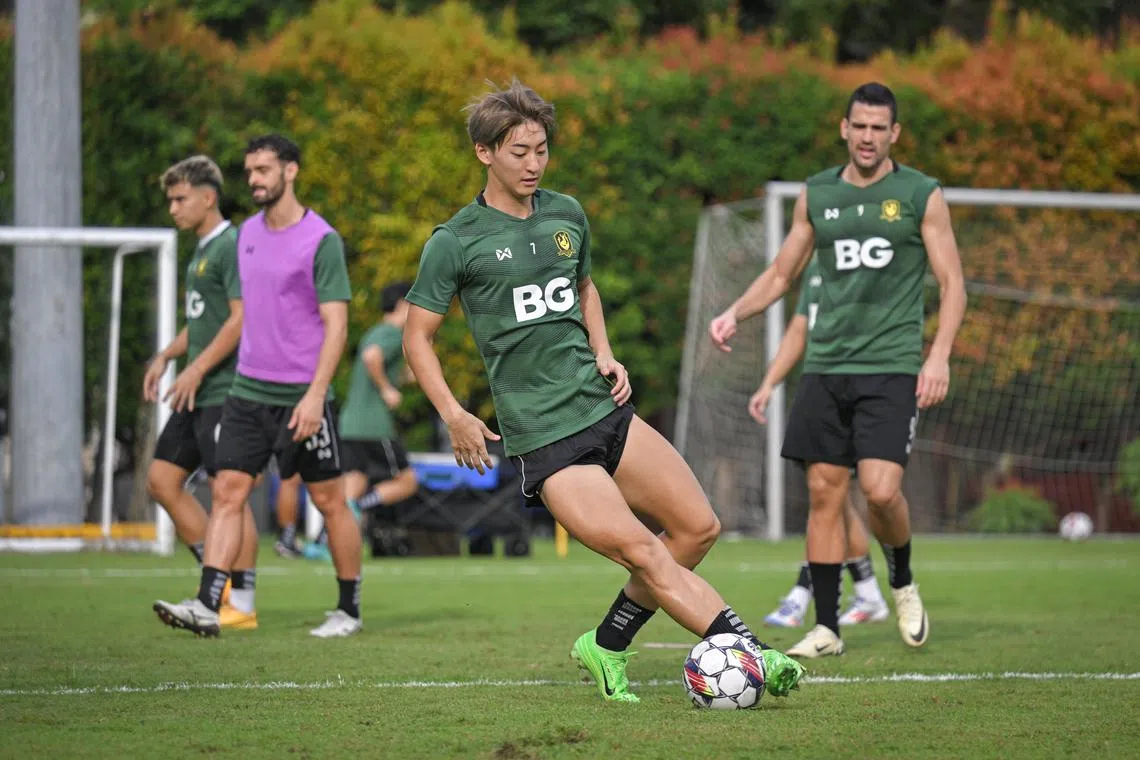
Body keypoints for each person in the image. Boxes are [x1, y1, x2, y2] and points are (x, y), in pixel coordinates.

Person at [402, 79, 805, 703]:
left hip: (605, 411)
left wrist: (605, 351)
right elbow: (416, 340)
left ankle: (607, 643)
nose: (534, 163)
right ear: (484, 153)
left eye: (541, 149)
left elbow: (584, 289)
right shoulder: (454, 241)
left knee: (699, 529)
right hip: (547, 438)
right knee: (645, 551)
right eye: (518, 151)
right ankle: (755, 654)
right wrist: (454, 413)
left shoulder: (567, 213)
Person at [709, 82, 966, 657]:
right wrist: (734, 313)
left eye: (880, 128)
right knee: (824, 492)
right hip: (826, 368)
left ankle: (900, 580)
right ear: (844, 129)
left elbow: (952, 284)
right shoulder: (817, 194)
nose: (869, 136)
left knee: (879, 491)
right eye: (860, 126)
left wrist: (940, 354)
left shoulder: (922, 194)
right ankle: (827, 627)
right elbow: (781, 274)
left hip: (892, 367)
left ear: (894, 134)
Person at [154, 134, 363, 638]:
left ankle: (348, 610)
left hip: (301, 396)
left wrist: (316, 394)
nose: (254, 179)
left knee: (330, 501)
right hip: (248, 391)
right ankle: (210, 603)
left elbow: (336, 325)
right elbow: (238, 316)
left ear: (290, 171)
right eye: (249, 171)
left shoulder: (321, 239)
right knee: (228, 491)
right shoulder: (245, 234)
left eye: (264, 170)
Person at [143, 155, 259, 630]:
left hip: (226, 389)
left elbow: (240, 317)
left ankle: (241, 602)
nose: (173, 208)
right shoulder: (202, 249)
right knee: (161, 481)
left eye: (180, 198)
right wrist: (168, 355)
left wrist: (195, 371)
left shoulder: (231, 245)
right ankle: (220, 585)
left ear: (208, 198)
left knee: (229, 493)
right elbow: (202, 320)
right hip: (199, 387)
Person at [748, 258, 889, 629]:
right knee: (830, 497)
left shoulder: (872, 268)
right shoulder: (817, 268)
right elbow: (799, 331)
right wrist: (768, 383)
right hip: (819, 388)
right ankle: (868, 591)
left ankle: (802, 594)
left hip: (858, 392)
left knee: (829, 497)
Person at [303, 282, 419, 562]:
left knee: (350, 485)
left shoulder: (373, 332)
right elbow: (372, 358)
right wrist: (386, 390)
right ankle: (361, 505)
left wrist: (401, 378)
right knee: (407, 481)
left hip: (350, 423)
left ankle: (321, 544)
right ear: (403, 304)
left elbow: (380, 362)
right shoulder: (391, 333)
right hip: (374, 424)